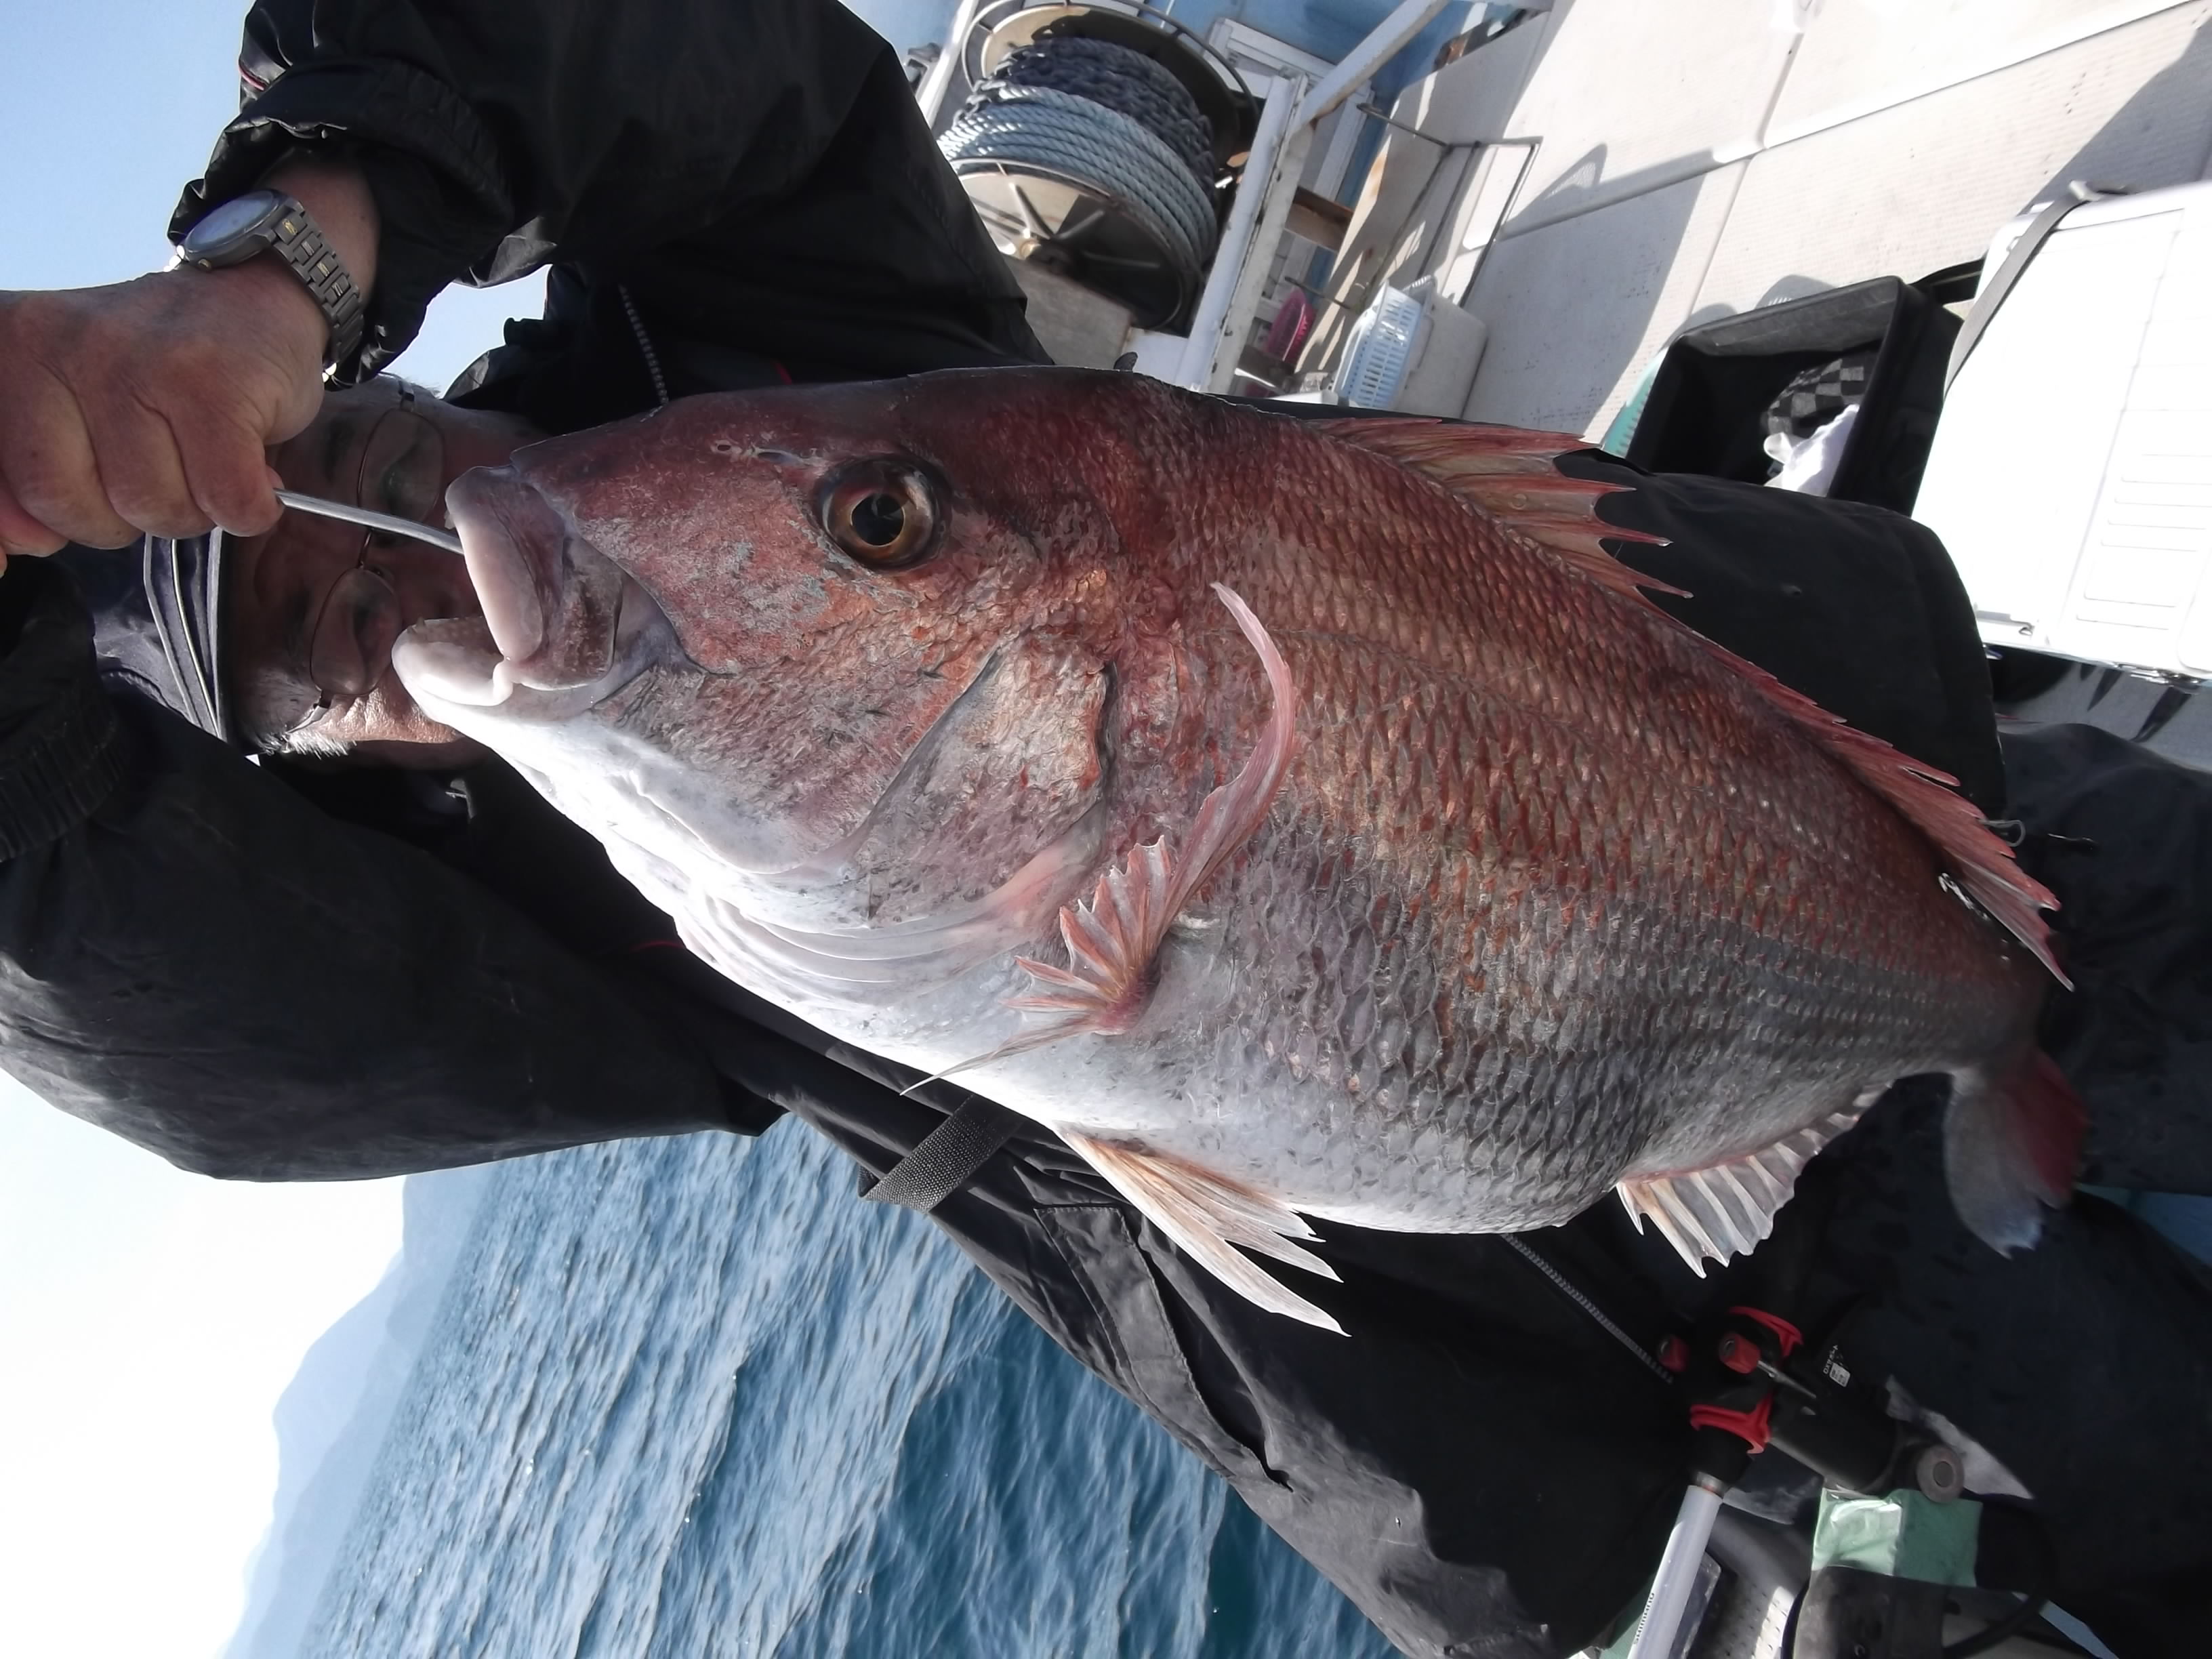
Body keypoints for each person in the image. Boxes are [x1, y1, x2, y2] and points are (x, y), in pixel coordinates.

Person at [0, 3, 2207, 1654]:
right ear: (303, 759)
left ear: (394, 386)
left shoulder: (790, 361)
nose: (379, 571)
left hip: (1907, 849)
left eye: (338, 468)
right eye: (304, 640)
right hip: (1728, 1329)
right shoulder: (561, 949)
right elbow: (136, 962)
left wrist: (277, 248)